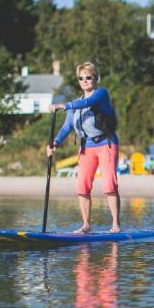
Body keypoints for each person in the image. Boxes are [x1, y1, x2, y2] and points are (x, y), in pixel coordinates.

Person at [48, 62, 121, 233]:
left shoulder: (101, 94)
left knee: (109, 185)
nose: (85, 81)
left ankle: (116, 225)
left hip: (106, 144)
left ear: (96, 79)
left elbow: (89, 102)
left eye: (89, 77)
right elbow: (67, 127)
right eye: (81, 78)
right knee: (82, 186)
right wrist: (55, 143)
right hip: (86, 147)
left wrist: (63, 105)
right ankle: (86, 225)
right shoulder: (76, 103)